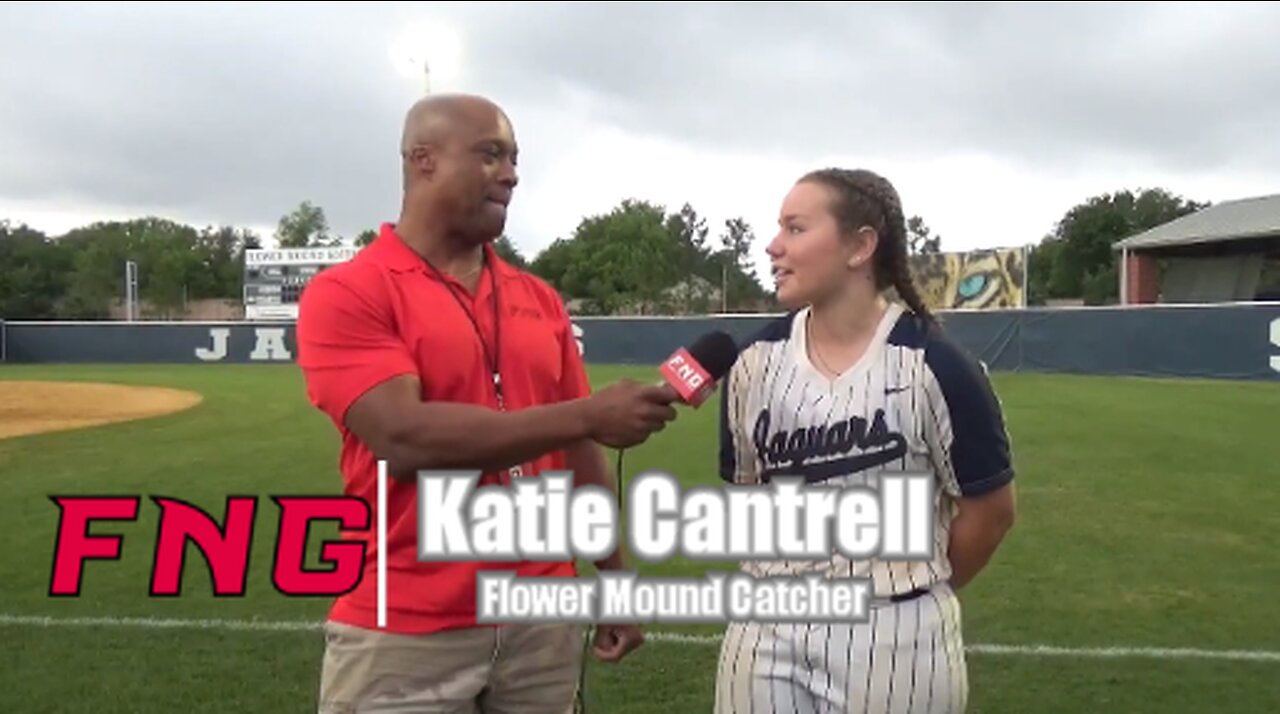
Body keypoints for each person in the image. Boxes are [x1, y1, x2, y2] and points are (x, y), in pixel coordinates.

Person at [295, 93, 678, 714]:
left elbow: (578, 453)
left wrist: (614, 577)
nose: (511, 173)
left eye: (514, 158)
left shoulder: (539, 298)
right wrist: (588, 413)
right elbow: (405, 437)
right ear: (423, 160)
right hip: (407, 626)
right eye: (490, 154)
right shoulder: (348, 292)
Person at [714, 168, 1017, 713]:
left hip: (895, 631)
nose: (773, 245)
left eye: (796, 228)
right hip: (764, 626)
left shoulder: (936, 365)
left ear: (860, 246)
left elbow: (990, 511)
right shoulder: (752, 363)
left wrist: (911, 592)